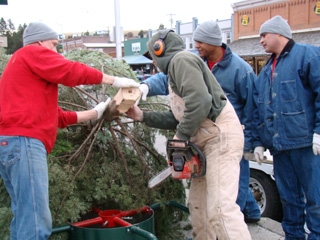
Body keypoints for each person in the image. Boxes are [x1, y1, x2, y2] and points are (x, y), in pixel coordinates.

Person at [0, 22, 139, 240]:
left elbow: (58, 117)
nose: (56, 51)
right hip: (24, 142)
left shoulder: (22, 69)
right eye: (53, 45)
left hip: (12, 144)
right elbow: (69, 70)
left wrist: (95, 112)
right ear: (39, 42)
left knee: (24, 216)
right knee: (36, 222)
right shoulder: (31, 52)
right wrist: (114, 80)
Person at [128, 30, 251, 239]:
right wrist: (142, 116)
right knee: (198, 209)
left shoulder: (181, 60)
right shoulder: (175, 73)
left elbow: (201, 102)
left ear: (160, 50)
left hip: (219, 137)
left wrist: (181, 136)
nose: (154, 63)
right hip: (205, 143)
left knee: (221, 211)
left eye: (154, 56)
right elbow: (180, 117)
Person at [252, 15, 320, 239]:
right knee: (289, 200)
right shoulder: (266, 71)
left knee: (315, 200)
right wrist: (260, 142)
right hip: (280, 148)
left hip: (306, 146)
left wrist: (319, 132)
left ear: (279, 33)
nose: (261, 40)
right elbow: (258, 109)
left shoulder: (307, 56)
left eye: (264, 35)